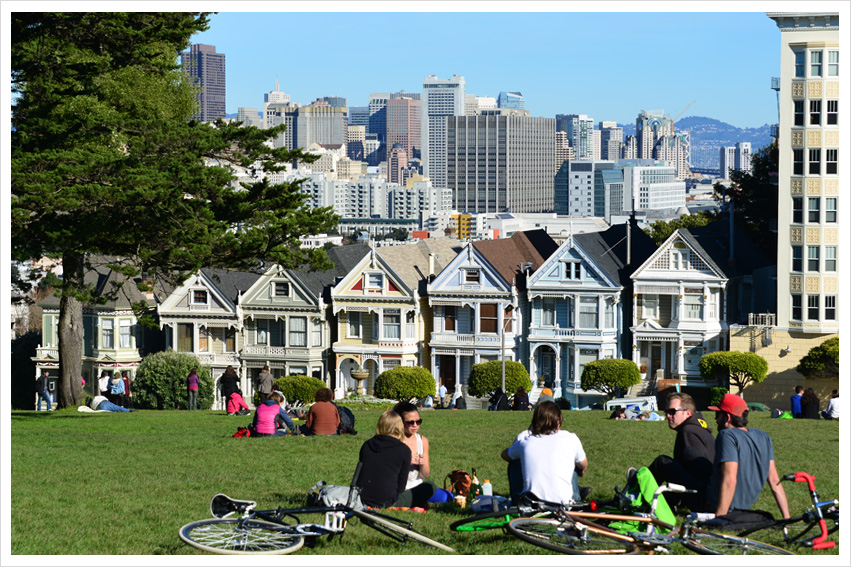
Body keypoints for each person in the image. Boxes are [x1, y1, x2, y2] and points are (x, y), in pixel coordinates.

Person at [705, 394, 790, 520]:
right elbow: (774, 480)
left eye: (718, 415)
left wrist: (720, 518)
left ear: (727, 417)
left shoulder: (727, 435)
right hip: (744, 507)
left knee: (669, 463)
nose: (716, 419)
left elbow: (730, 479)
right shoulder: (763, 436)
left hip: (718, 505)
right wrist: (787, 518)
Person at [501, 400, 589, 505]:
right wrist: (582, 469)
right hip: (563, 504)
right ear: (559, 421)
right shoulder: (570, 438)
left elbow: (504, 455)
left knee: (514, 462)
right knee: (574, 462)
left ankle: (517, 500)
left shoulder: (526, 441)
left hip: (531, 504)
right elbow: (583, 464)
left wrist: (514, 452)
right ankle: (576, 494)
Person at [648, 392, 715, 511]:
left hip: (704, 499)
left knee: (662, 462)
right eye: (666, 412)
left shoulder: (688, 432)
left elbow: (700, 472)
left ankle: (633, 496)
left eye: (673, 411)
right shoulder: (700, 431)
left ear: (688, 413)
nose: (668, 416)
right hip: (712, 496)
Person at [355, 410, 432, 509]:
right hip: (387, 500)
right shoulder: (403, 450)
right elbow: (401, 487)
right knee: (430, 486)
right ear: (400, 426)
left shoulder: (367, 445)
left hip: (362, 497)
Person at [392, 401, 437, 502]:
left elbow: (425, 474)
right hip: (395, 488)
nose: (415, 425)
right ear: (400, 422)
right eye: (410, 422)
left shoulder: (422, 441)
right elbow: (386, 473)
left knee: (432, 487)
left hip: (416, 487)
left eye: (418, 421)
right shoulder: (392, 441)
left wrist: (422, 464)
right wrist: (405, 462)